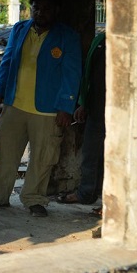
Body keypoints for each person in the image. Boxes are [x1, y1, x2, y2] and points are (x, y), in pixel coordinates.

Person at [0, 0, 82, 217]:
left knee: (43, 157)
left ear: (56, 11)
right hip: (14, 104)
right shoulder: (20, 29)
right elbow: (7, 61)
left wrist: (66, 107)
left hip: (47, 109)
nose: (40, 12)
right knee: (5, 152)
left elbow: (71, 74)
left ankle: (34, 198)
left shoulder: (68, 37)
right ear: (30, 8)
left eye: (46, 8)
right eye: (36, 7)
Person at [56, 29, 106, 206]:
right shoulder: (100, 40)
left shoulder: (131, 42)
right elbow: (88, 76)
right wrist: (83, 103)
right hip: (97, 109)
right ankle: (87, 193)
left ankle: (112, 197)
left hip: (123, 111)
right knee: (90, 154)